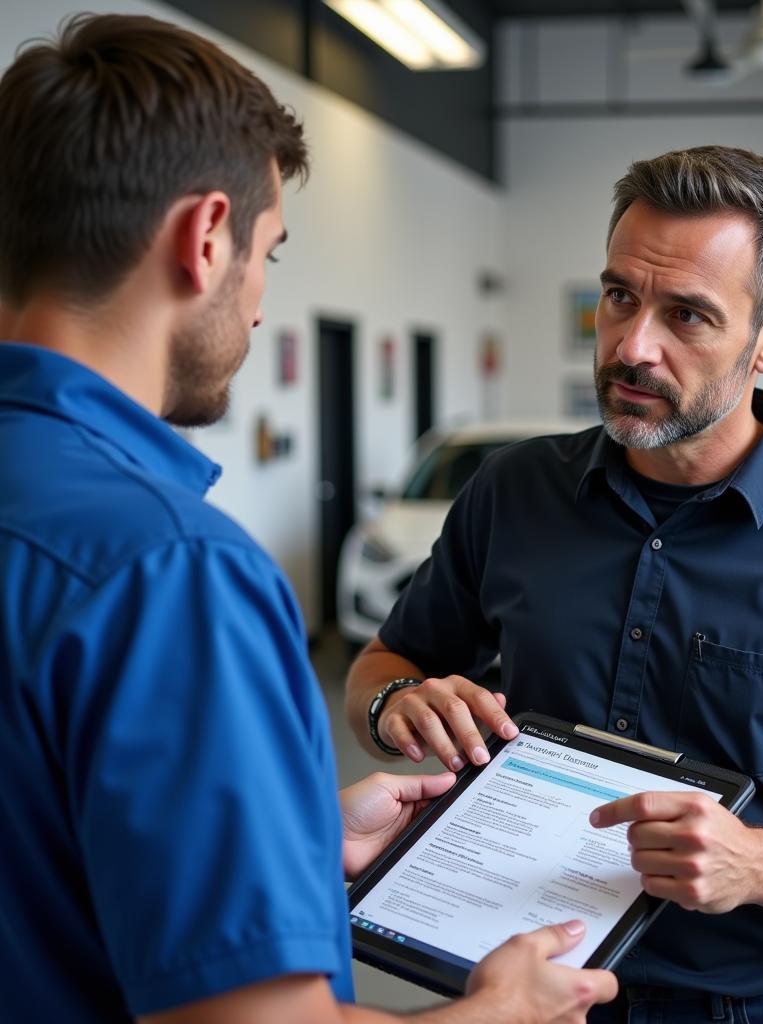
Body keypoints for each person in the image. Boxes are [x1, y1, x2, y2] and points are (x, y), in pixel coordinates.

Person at [0, 14, 617, 1024]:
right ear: (205, 238)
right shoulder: (171, 570)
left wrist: (281, 847)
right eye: (269, 255)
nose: (256, 310)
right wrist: (497, 1013)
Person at [346, 146, 763, 1022]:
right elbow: (385, 662)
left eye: (688, 315)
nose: (634, 346)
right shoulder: (512, 493)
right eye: (619, 298)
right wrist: (394, 703)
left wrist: (757, 865)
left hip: (758, 1007)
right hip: (525, 994)